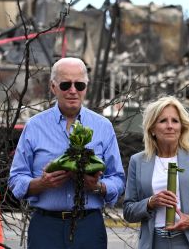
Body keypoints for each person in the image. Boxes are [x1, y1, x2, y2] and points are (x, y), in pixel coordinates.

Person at [8, 57, 126, 249]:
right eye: (65, 85)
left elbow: (119, 179)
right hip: (46, 226)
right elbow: (15, 178)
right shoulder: (35, 126)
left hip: (88, 226)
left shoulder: (103, 127)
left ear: (86, 87)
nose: (73, 91)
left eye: (79, 85)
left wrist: (98, 187)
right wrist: (41, 183)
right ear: (53, 87)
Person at [123, 95, 189, 249]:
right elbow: (128, 211)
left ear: (182, 127)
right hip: (154, 243)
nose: (170, 126)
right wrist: (150, 202)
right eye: (163, 121)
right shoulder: (137, 161)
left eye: (175, 121)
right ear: (152, 128)